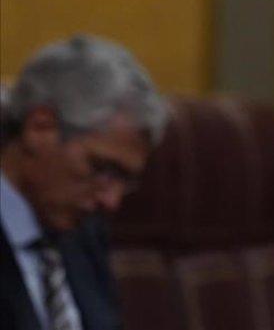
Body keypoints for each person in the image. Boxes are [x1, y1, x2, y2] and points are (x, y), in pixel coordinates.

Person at [0, 35, 168, 330]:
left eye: (124, 180)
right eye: (101, 168)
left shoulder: (82, 234)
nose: (111, 201)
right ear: (40, 127)